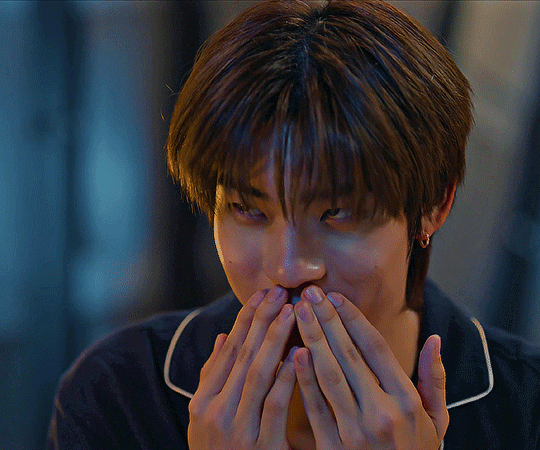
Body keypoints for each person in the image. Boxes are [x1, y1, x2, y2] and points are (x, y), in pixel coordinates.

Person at [47, 0, 540, 449]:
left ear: (434, 204)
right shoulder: (121, 395)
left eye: (337, 213)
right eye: (248, 209)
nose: (287, 268)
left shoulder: (524, 410)